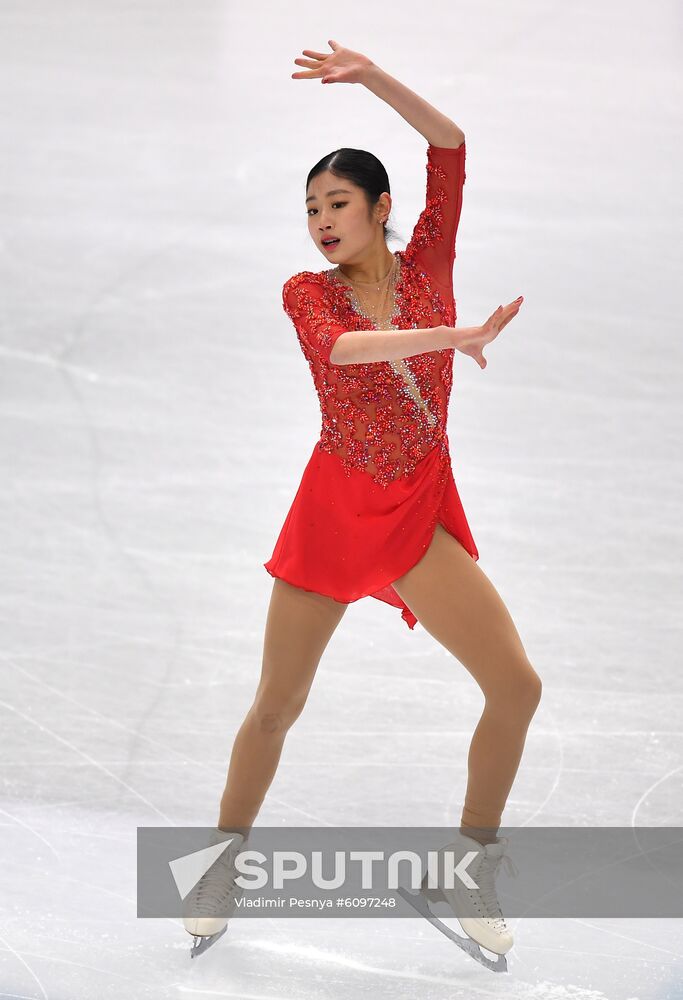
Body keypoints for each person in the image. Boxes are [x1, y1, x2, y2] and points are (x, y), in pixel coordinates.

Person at [184, 40, 542, 970]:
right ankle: (221, 864)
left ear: (381, 210)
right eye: (309, 209)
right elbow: (345, 354)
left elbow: (451, 144)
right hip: (337, 510)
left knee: (516, 686)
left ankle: (470, 868)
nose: (319, 222)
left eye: (337, 204)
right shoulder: (308, 294)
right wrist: (452, 333)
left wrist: (374, 77)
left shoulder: (427, 259)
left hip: (415, 512)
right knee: (276, 706)